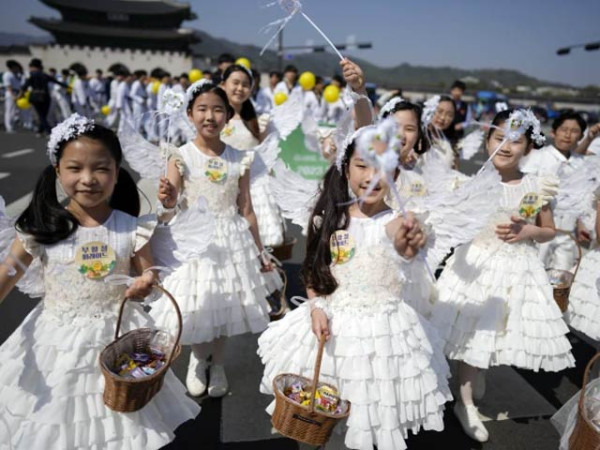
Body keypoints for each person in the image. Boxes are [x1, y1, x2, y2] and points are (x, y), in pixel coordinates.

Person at [0, 114, 200, 449]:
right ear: (57, 171)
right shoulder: (41, 226)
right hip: (56, 342)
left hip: (117, 339)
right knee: (55, 422)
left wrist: (144, 282)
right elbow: (9, 269)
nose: (88, 179)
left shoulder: (131, 226)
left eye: (101, 169)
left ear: (117, 173)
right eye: (75, 168)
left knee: (118, 425)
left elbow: (149, 273)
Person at [258, 129, 452, 450]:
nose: (372, 177)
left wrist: (407, 244)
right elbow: (314, 271)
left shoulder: (395, 221)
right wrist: (316, 307)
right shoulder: (328, 218)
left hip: (382, 335)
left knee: (369, 410)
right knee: (323, 406)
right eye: (362, 165)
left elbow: (401, 244)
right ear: (345, 168)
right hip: (330, 326)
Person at [430, 109, 575, 442]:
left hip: (515, 268)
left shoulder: (536, 185)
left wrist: (530, 231)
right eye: (500, 138)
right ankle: (465, 402)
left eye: (516, 141)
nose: (506, 146)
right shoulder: (471, 182)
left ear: (528, 147)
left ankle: (473, 375)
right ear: (488, 141)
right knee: (473, 331)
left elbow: (549, 230)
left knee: (495, 331)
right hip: (476, 265)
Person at [151, 80, 275, 398]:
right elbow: (169, 207)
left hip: (231, 239)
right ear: (190, 114)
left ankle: (217, 363)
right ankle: (197, 359)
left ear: (228, 116)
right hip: (195, 240)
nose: (210, 116)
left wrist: (260, 251)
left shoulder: (240, 158)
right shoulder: (181, 155)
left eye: (218, 110)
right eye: (202, 109)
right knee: (200, 303)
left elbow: (246, 209)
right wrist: (167, 200)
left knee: (226, 303)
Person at [521, 110, 587, 271]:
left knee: (562, 275)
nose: (568, 135)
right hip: (541, 229)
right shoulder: (538, 157)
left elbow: (582, 196)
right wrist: (527, 219)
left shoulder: (581, 163)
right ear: (553, 132)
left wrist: (582, 224)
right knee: (533, 271)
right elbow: (526, 190)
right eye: (564, 129)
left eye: (574, 131)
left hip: (567, 232)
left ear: (580, 137)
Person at [20, 58, 67, 136]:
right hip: (45, 97)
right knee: (43, 115)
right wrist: (68, 86)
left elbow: (25, 86)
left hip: (35, 97)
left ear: (33, 67)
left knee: (41, 115)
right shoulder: (44, 75)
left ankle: (48, 131)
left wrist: (19, 95)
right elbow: (56, 81)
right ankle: (40, 131)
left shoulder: (32, 75)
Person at [422, 94, 457, 168]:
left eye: (449, 115)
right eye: (439, 111)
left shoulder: (451, 144)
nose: (443, 118)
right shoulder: (417, 137)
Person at [448, 80, 471, 146]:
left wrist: (461, 125)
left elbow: (468, 121)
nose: (457, 93)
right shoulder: (447, 103)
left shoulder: (466, 106)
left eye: (459, 91)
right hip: (446, 133)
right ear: (451, 91)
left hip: (459, 135)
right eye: (455, 90)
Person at [3, 60, 22, 133]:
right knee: (9, 110)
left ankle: (12, 126)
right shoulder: (7, 75)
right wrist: (13, 96)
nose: (17, 68)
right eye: (16, 67)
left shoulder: (15, 74)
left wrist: (18, 94)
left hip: (16, 93)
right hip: (11, 93)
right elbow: (8, 86)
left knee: (14, 111)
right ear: (13, 67)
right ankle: (8, 127)